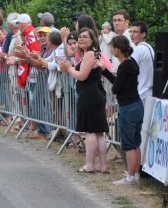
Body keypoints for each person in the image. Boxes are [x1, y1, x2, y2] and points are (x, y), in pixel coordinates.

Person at [58, 28, 108, 173]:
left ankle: (90, 164)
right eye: (80, 37)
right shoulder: (90, 53)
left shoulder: (90, 54)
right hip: (94, 94)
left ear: (92, 39)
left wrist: (69, 68)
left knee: (91, 131)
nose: (81, 39)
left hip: (90, 95)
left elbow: (81, 76)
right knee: (99, 132)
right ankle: (103, 166)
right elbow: (71, 56)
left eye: (85, 37)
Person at [104, 35, 144, 185]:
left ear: (117, 49)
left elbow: (116, 87)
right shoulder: (131, 63)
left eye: (112, 47)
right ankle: (136, 175)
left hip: (127, 107)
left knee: (128, 144)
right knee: (135, 142)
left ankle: (130, 177)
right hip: (136, 105)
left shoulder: (124, 66)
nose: (110, 50)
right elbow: (119, 82)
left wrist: (105, 73)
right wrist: (104, 70)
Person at [128, 21, 154, 103]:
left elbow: (128, 70)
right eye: (130, 31)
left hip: (141, 93)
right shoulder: (147, 47)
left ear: (143, 34)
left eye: (135, 32)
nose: (132, 34)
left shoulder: (139, 49)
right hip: (148, 92)